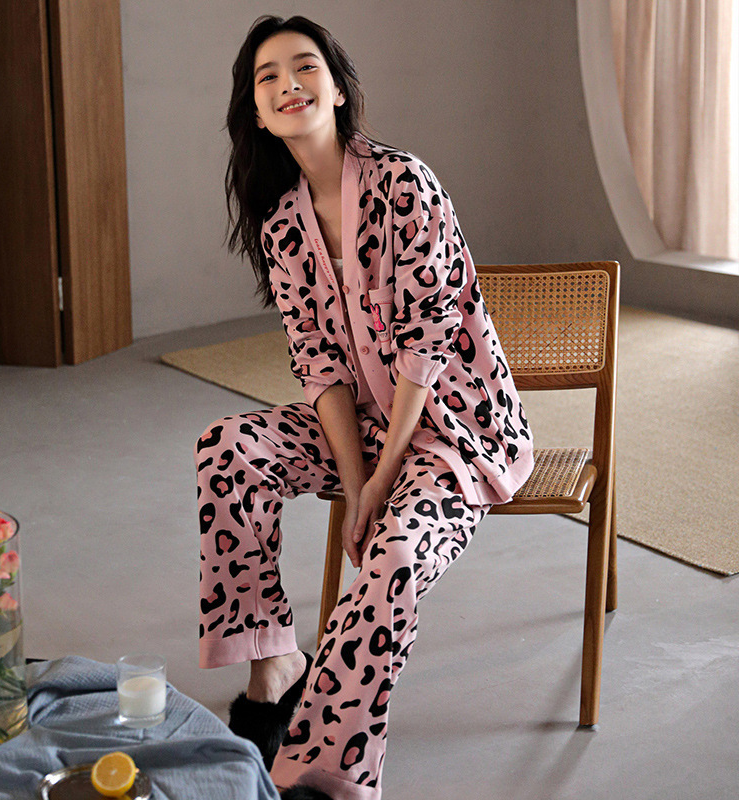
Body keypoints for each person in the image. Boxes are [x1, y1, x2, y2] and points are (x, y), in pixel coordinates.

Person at [196, 15, 534, 800]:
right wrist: (355, 479)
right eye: (268, 76)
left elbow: (427, 344)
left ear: (338, 90)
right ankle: (275, 665)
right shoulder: (282, 225)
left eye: (305, 66)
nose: (289, 83)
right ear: (257, 113)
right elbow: (318, 366)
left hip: (454, 433)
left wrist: (381, 484)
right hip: (367, 431)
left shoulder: (403, 184)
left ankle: (324, 772)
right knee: (228, 448)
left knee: (396, 556)